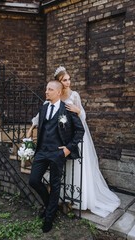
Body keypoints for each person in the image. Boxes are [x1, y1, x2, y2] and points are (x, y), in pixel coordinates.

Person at [28, 66, 121, 218]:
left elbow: (81, 116)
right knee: (47, 178)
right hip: (53, 145)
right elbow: (40, 117)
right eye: (65, 80)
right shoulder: (51, 99)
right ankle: (56, 202)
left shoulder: (74, 95)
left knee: (73, 170)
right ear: (58, 82)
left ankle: (78, 200)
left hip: (69, 140)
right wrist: (32, 128)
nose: (68, 83)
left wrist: (78, 111)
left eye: (69, 79)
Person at [29, 80, 84, 233]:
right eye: (46, 89)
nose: (46, 92)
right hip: (41, 152)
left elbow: (80, 131)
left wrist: (68, 149)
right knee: (33, 180)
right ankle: (49, 206)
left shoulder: (67, 109)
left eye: (50, 89)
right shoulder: (44, 107)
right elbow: (40, 125)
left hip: (57, 153)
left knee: (55, 185)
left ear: (58, 92)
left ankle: (49, 217)